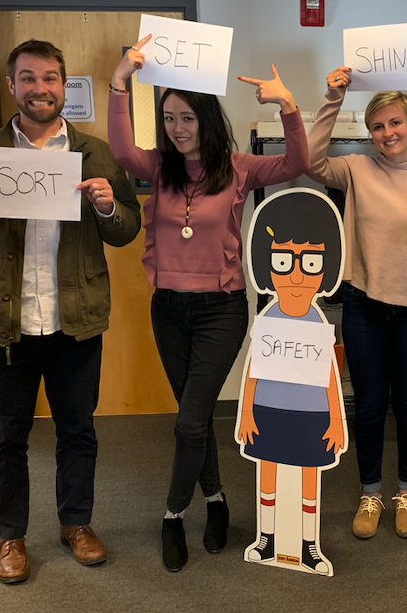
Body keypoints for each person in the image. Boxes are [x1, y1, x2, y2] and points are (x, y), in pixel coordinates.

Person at [0, 39, 142, 584]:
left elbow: (126, 230)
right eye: (28, 78)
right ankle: (10, 536)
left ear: (63, 86)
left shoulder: (95, 154)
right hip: (5, 323)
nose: (40, 88)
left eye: (49, 78)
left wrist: (107, 208)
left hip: (76, 320)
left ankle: (77, 524)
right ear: (11, 85)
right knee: (6, 437)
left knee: (78, 430)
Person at [107, 36, 309, 573]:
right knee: (192, 420)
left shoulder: (239, 167)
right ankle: (216, 502)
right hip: (168, 310)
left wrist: (287, 105)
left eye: (188, 118)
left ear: (207, 121)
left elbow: (297, 162)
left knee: (189, 421)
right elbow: (122, 151)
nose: (177, 128)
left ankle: (173, 515)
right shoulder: (159, 167)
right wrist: (120, 82)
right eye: (169, 118)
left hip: (221, 310)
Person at [305, 67, 407, 539]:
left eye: (395, 123)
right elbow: (309, 159)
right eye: (377, 126)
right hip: (364, 304)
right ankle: (370, 493)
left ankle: (406, 491)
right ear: (369, 132)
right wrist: (333, 97)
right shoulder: (355, 169)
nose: (388, 133)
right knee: (369, 407)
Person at [237, 189, 346, 575]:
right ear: (266, 266)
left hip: (312, 414)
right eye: (283, 261)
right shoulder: (269, 318)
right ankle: (266, 539)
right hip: (268, 409)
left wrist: (336, 419)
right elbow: (255, 366)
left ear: (326, 268)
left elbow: (328, 370)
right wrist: (246, 412)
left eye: (311, 262)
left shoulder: (318, 320)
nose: (297, 275)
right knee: (267, 468)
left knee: (308, 476)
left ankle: (308, 546)